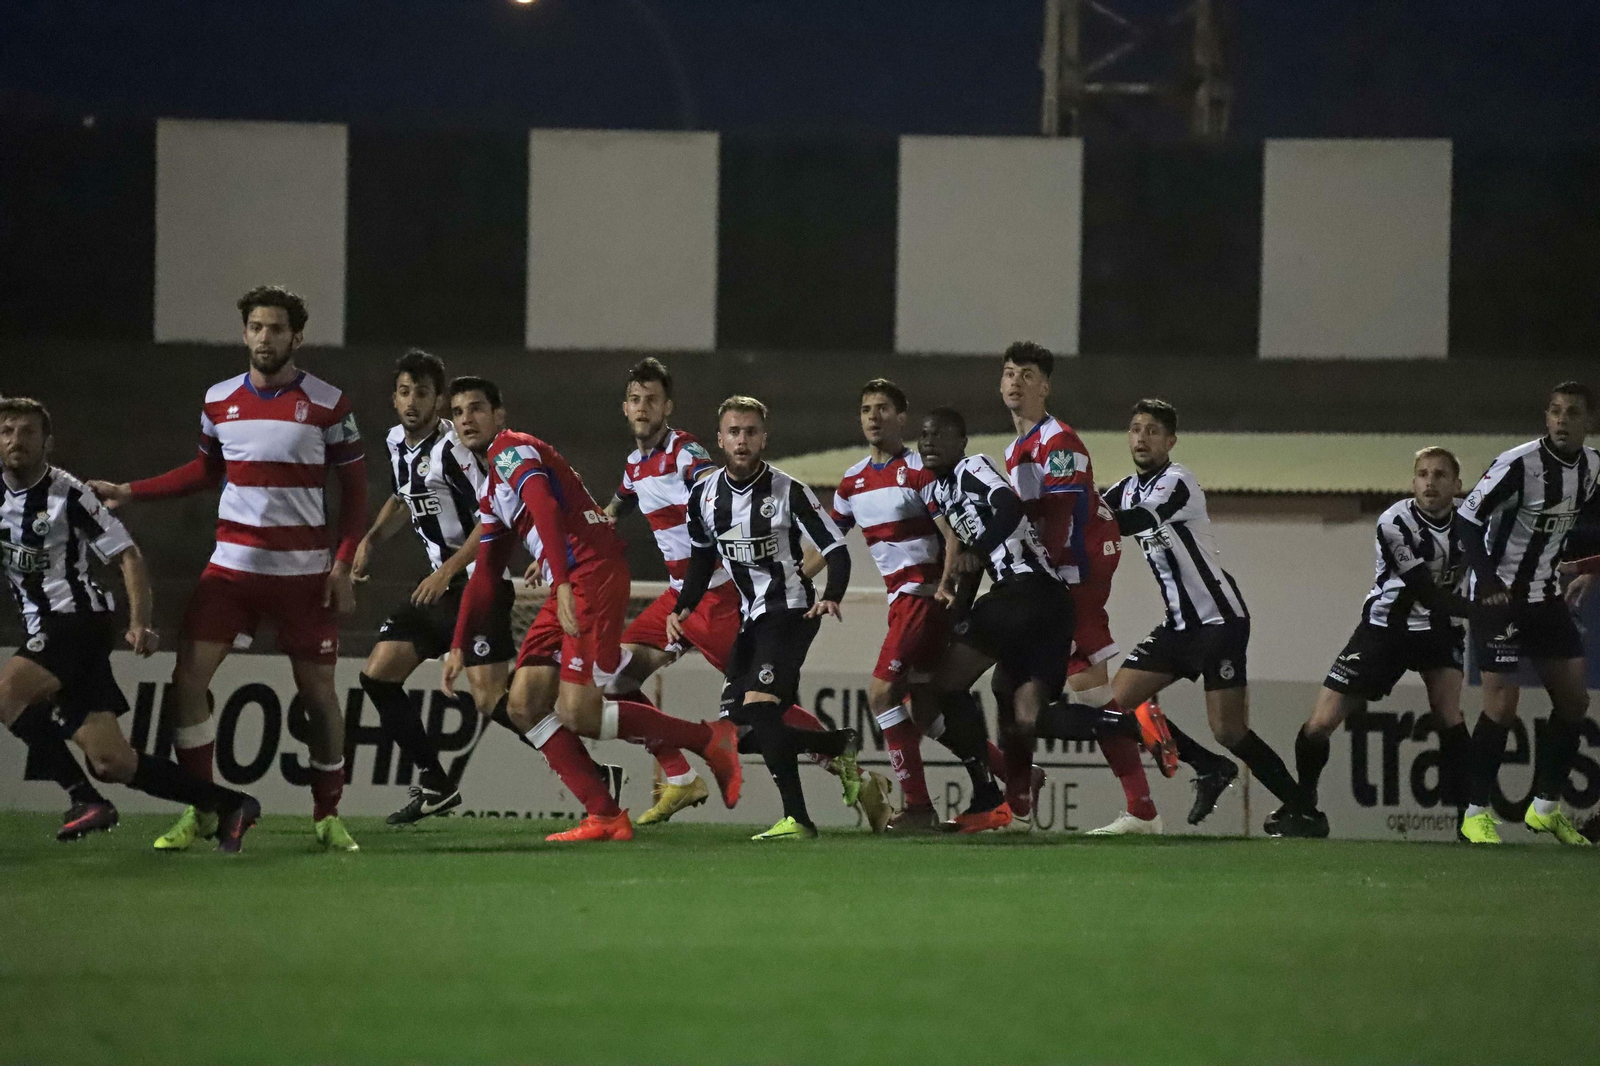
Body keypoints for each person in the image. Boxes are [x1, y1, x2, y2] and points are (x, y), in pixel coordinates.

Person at [88, 286, 367, 852]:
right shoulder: (218, 400)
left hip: (303, 577)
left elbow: (357, 494)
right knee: (187, 684)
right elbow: (203, 470)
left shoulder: (328, 403)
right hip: (231, 573)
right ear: (245, 333)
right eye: (256, 327)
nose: (265, 337)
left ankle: (328, 813)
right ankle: (206, 807)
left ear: (297, 337)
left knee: (318, 697)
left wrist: (342, 566)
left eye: (276, 329)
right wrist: (129, 491)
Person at [443, 377, 742, 843]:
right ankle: (605, 813)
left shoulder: (511, 449)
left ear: (498, 415)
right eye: (458, 411)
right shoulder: (490, 486)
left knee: (580, 712)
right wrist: (458, 644)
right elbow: (485, 571)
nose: (466, 418)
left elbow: (542, 504)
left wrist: (560, 582)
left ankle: (707, 740)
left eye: (477, 408)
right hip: (574, 577)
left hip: (591, 575)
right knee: (521, 705)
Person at [600, 360, 887, 826]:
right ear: (625, 407)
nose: (643, 407)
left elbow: (721, 493)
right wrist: (588, 527)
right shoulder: (636, 464)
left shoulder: (688, 456)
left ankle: (848, 767)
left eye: (652, 399)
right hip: (682, 598)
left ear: (667, 407)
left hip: (722, 598)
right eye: (635, 399)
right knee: (615, 677)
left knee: (760, 713)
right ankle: (678, 777)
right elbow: (619, 502)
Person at [0, 398, 260, 851]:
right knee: (111, 761)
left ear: (48, 442)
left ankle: (84, 800)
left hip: (76, 620)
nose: (16, 441)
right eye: (7, 432)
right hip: (44, 626)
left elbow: (127, 553)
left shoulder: (68, 494)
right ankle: (231, 803)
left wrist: (141, 622)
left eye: (27, 432)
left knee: (6, 692)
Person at [917, 408, 1165, 834]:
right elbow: (975, 564)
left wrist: (979, 550)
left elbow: (1009, 504)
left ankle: (987, 794)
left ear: (962, 443)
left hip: (1022, 595)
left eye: (940, 435)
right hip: (1051, 605)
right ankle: (1133, 724)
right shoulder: (944, 492)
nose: (929, 443)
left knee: (943, 685)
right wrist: (958, 613)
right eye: (923, 436)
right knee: (1028, 716)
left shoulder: (972, 468)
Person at [1103, 399, 1306, 834]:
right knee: (1116, 705)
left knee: (1230, 731)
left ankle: (1302, 808)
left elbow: (1137, 519)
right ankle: (1210, 767)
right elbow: (1095, 513)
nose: (1142, 437)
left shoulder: (1179, 480)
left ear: (1171, 440)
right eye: (1136, 429)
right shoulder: (1123, 488)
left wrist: (1087, 519)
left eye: (1153, 430)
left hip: (1219, 622)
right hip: (1179, 625)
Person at [998, 342, 1176, 835]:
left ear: (1045, 386)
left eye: (1027, 375)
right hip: (1063, 571)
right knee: (1090, 692)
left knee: (1065, 685)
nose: (1016, 382)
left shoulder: (1059, 440)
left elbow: (1069, 515)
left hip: (1077, 568)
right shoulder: (1017, 447)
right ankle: (1142, 807)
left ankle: (1137, 727)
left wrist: (1060, 579)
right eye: (1010, 373)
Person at [670, 396, 863, 841]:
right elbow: (701, 561)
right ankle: (836, 745)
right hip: (751, 619)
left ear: (764, 438)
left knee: (759, 708)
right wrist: (682, 608)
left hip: (792, 611)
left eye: (751, 431)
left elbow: (836, 549)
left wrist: (832, 596)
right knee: (739, 731)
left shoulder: (788, 491)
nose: (742, 440)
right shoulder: (704, 495)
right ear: (719, 439)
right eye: (734, 432)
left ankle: (799, 819)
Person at [351, 350, 514, 825]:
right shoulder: (395, 443)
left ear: (439, 401)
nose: (412, 402)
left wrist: (447, 571)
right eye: (405, 392)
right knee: (378, 675)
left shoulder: (456, 452)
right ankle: (436, 782)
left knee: (491, 700)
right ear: (394, 398)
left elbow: (493, 519)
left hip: (475, 583)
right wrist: (371, 539)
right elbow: (405, 497)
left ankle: (581, 761)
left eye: (423, 393)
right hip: (438, 588)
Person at [1291, 447, 1486, 838]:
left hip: (1440, 630)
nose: (1430, 482)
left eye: (1440, 475)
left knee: (1450, 714)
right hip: (1385, 630)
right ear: (1413, 482)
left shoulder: (1474, 522)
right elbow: (1425, 592)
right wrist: (1488, 612)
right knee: (1320, 724)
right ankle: (1304, 801)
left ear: (1457, 484)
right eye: (1423, 474)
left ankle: (1470, 822)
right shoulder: (1394, 521)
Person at [1456, 382, 1597, 845]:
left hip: (1544, 597)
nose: (1560, 420)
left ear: (1587, 422)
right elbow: (1467, 520)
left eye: (1571, 413)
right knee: (1501, 706)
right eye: (1554, 411)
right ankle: (1475, 814)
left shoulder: (1592, 468)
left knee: (1574, 702)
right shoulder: (1519, 464)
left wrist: (1585, 570)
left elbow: (1574, 532)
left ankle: (1545, 809)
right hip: (1500, 599)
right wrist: (1489, 581)